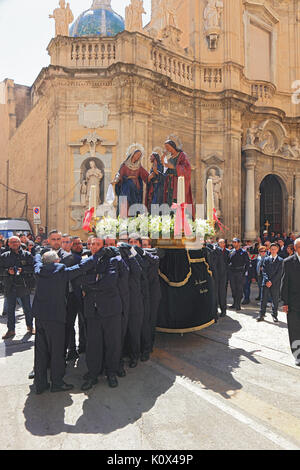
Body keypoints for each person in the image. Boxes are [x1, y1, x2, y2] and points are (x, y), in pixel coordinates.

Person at [33, 250, 98, 394]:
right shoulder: (62, 273)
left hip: (40, 317)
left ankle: (40, 384)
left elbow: (36, 260)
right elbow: (81, 267)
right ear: (57, 261)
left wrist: (39, 252)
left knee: (40, 351)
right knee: (57, 352)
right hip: (56, 318)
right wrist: (96, 256)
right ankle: (57, 382)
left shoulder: (38, 271)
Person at [81, 238, 129, 391]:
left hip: (111, 310)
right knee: (93, 345)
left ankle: (111, 373)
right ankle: (93, 374)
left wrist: (92, 283)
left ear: (103, 246)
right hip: (92, 310)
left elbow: (111, 280)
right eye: (91, 244)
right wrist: (96, 280)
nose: (93, 247)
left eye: (97, 244)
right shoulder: (86, 260)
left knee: (112, 343)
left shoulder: (113, 260)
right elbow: (81, 279)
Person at [0, 236, 35, 340]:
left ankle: (30, 327)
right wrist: (7, 272)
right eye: (12, 242)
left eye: (16, 242)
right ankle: (11, 330)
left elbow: (32, 268)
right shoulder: (4, 256)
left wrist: (22, 270)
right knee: (10, 310)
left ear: (20, 243)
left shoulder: (27, 255)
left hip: (23, 286)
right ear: (9, 244)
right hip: (10, 286)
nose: (14, 244)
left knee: (27, 309)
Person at [281, 238, 300, 366]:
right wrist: (285, 302)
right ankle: (298, 355)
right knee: (294, 330)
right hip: (293, 303)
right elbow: (284, 283)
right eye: (299, 247)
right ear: (295, 248)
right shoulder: (288, 262)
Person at [113, 147, 149, 216]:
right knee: (126, 194)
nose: (138, 156)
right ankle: (124, 215)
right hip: (126, 188)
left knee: (133, 203)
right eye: (137, 154)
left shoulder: (139, 167)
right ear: (133, 154)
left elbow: (146, 176)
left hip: (135, 189)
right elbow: (119, 174)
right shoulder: (124, 165)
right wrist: (116, 179)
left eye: (139, 156)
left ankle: (132, 216)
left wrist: (155, 175)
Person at [163, 140, 194, 217]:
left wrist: (173, 167)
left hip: (178, 183)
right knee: (170, 202)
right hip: (171, 183)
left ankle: (180, 220)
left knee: (178, 200)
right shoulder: (170, 159)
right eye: (165, 147)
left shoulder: (182, 155)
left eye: (167, 146)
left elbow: (187, 168)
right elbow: (167, 170)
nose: (166, 149)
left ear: (172, 146)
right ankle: (172, 220)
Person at [257, 243, 283, 323]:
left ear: (277, 250)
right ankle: (261, 314)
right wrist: (267, 280)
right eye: (272, 249)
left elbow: (280, 273)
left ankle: (274, 315)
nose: (273, 250)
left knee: (275, 300)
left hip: (275, 283)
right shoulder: (266, 259)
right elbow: (264, 271)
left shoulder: (281, 260)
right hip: (266, 282)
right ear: (269, 250)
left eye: (275, 249)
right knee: (263, 299)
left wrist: (271, 281)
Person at [228, 238, 250, 312]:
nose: (234, 243)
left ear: (238, 243)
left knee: (239, 289)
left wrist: (244, 272)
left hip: (240, 272)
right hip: (232, 272)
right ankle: (234, 303)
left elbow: (247, 263)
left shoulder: (243, 252)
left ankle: (238, 304)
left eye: (235, 242)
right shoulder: (231, 252)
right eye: (233, 242)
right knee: (233, 288)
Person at [214, 239, 230, 317]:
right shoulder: (214, 251)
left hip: (223, 275)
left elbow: (228, 263)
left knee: (222, 293)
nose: (221, 244)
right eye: (220, 242)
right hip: (216, 276)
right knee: (216, 293)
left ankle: (223, 310)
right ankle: (215, 310)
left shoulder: (227, 252)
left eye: (223, 242)